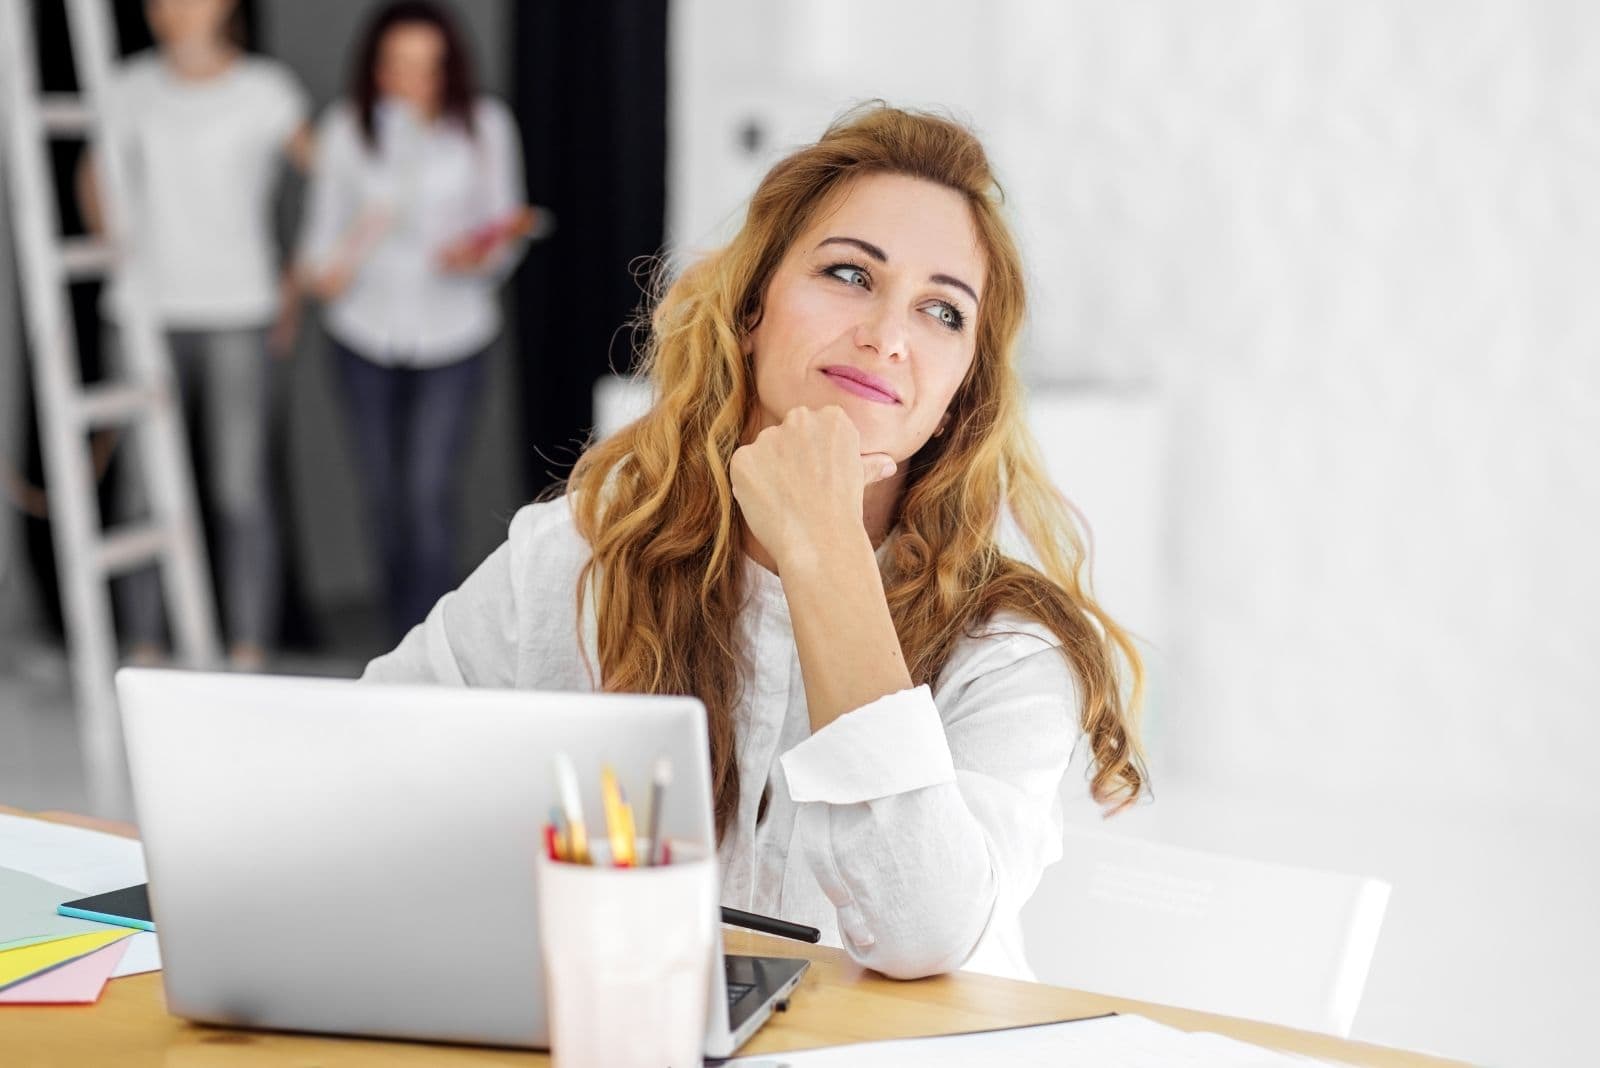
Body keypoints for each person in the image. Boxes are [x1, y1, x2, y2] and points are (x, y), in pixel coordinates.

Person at [364, 105, 1146, 981]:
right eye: (850, 274)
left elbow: (922, 928)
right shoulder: (578, 558)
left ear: (960, 396)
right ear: (751, 311)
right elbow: (356, 772)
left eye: (941, 311)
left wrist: (824, 553)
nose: (886, 336)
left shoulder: (1008, 649)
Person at [82, 0, 312, 670]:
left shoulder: (265, 91)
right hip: (142, 315)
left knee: (240, 488)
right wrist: (115, 249)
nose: (173, 10)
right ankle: (145, 648)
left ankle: (248, 649)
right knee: (142, 491)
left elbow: (330, 179)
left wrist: (296, 281)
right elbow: (93, 176)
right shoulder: (127, 87)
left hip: (242, 307)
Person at [296, 0, 533, 641]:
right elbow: (318, 250)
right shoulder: (346, 131)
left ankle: (427, 646)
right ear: (374, 67)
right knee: (382, 496)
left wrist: (477, 257)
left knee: (427, 494)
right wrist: (335, 264)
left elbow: (505, 228)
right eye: (397, 66)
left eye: (427, 67)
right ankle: (399, 643)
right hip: (362, 335)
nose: (412, 82)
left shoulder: (485, 127)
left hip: (455, 334)